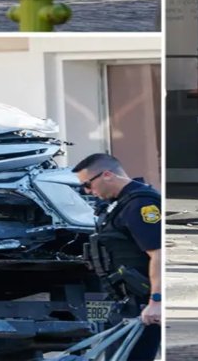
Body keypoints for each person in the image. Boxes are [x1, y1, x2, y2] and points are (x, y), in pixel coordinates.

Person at [72, 154, 162, 359]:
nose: (87, 191)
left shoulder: (140, 205)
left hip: (141, 303)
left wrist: (156, 301)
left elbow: (158, 254)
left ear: (107, 175)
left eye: (87, 184)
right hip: (123, 301)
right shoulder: (118, 205)